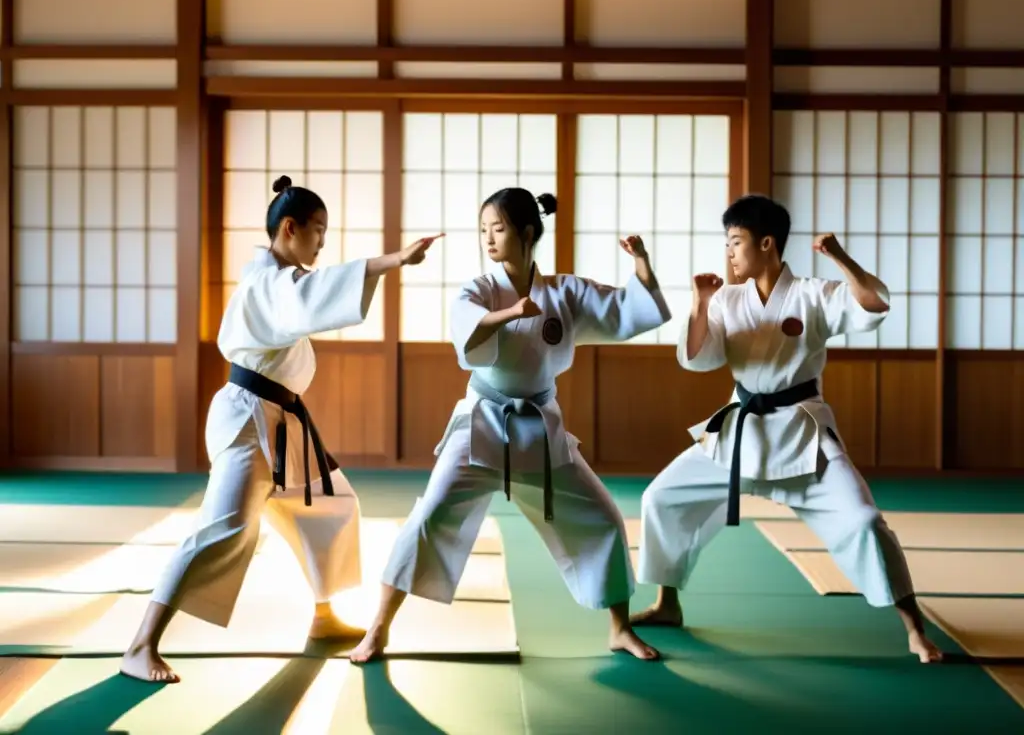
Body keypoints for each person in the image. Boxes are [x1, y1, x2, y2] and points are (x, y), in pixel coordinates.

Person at [120, 175, 442, 683]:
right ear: (289, 228)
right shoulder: (268, 284)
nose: (320, 242)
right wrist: (392, 261)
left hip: (279, 422)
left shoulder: (277, 281)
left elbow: (311, 299)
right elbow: (314, 295)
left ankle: (323, 616)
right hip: (249, 421)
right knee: (221, 530)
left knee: (330, 506)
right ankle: (141, 644)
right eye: (317, 230)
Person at [348, 188, 671, 664]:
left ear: (527, 232)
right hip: (481, 424)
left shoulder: (565, 292)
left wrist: (642, 265)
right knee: (431, 514)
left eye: (497, 229)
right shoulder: (479, 288)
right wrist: (510, 314)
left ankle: (619, 628)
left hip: (540, 430)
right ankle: (378, 628)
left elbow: (626, 310)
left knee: (602, 517)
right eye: (483, 230)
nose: (488, 239)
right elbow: (467, 327)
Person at [631, 194, 943, 664]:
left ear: (768, 243)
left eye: (736, 242)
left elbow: (874, 305)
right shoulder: (727, 299)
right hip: (739, 431)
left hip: (802, 433)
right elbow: (700, 359)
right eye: (728, 243)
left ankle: (914, 627)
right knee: (661, 497)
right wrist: (700, 304)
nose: (730, 253)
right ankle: (667, 603)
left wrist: (839, 257)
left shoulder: (813, 293)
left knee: (862, 520)